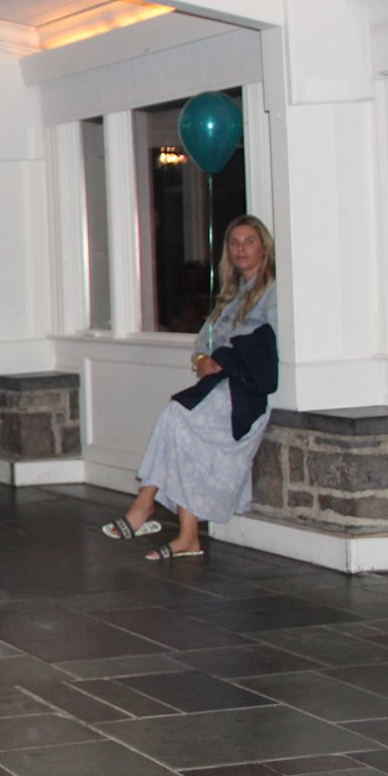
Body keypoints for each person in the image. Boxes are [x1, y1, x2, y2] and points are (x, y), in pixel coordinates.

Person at [105, 217, 278, 562]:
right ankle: (187, 535)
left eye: (249, 241)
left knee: (176, 417)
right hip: (218, 385)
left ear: (264, 247)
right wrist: (201, 360)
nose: (241, 249)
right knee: (179, 429)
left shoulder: (273, 291)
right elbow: (203, 341)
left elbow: (272, 348)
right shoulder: (230, 295)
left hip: (245, 392)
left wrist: (230, 357)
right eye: (234, 243)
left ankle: (146, 503)